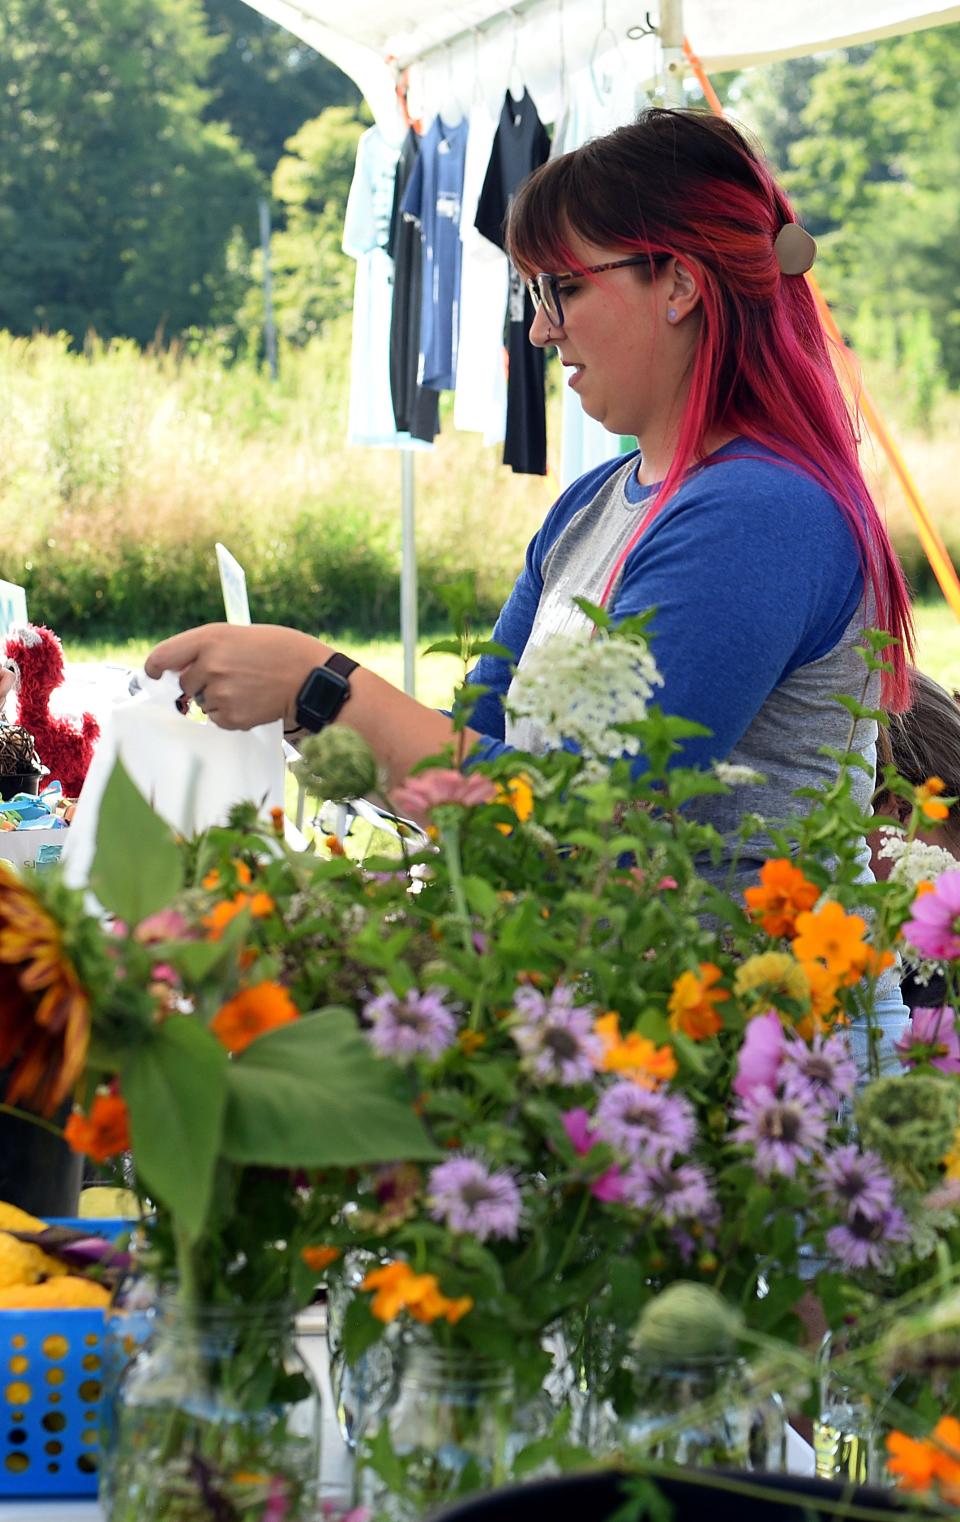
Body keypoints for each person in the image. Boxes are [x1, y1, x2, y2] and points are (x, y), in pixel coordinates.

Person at [146, 110, 912, 1011]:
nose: (541, 332)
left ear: (678, 285)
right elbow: (480, 759)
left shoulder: (761, 514)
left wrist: (325, 683)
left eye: (561, 290)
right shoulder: (594, 507)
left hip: (743, 1084)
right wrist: (316, 718)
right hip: (616, 1052)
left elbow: (583, 825)